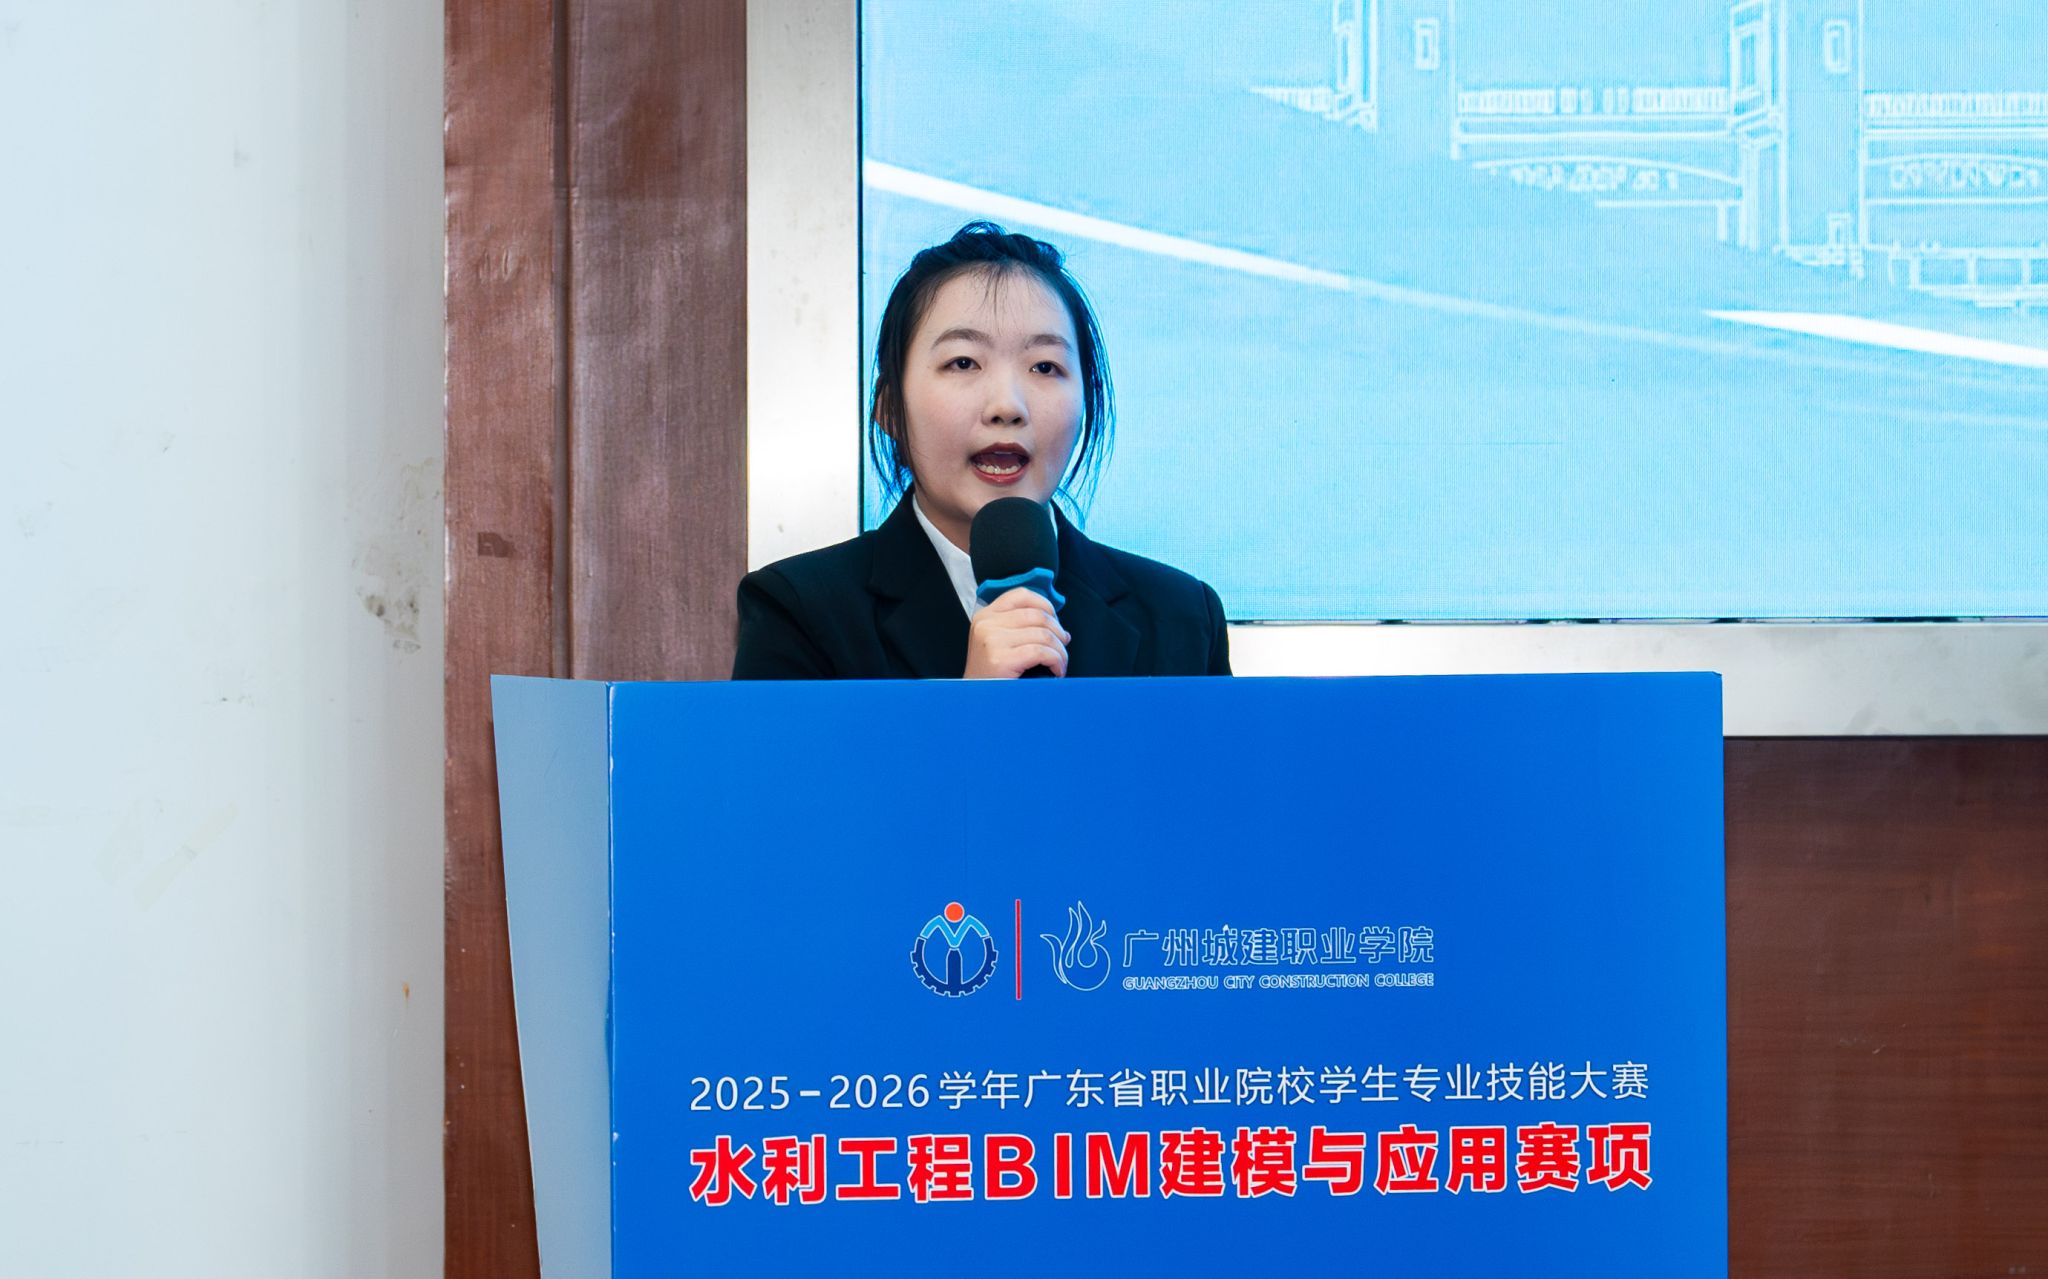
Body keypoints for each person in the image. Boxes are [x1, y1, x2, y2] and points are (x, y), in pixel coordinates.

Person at [732, 221, 1230, 680]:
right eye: (964, 362)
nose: (1007, 406)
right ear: (888, 407)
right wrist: (972, 708)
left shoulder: (1183, 617)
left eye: (1044, 367)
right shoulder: (798, 613)